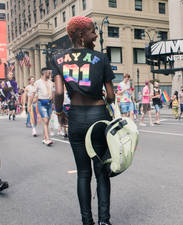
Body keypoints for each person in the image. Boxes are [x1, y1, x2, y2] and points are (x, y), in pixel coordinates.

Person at [52, 16, 115, 225]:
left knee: (83, 173)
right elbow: (111, 95)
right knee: (101, 171)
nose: (95, 35)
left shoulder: (58, 59)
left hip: (77, 118)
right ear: (81, 35)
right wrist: (105, 97)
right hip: (98, 117)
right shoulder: (101, 58)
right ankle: (104, 221)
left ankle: (87, 221)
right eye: (92, 31)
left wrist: (59, 112)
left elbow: (59, 92)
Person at [32, 68, 54, 146]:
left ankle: (44, 137)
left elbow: (53, 93)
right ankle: (47, 139)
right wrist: (29, 104)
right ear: (44, 73)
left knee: (47, 121)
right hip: (41, 103)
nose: (50, 74)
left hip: (50, 103)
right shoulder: (37, 82)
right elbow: (33, 93)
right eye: (49, 73)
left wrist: (53, 103)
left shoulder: (51, 83)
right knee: (45, 120)